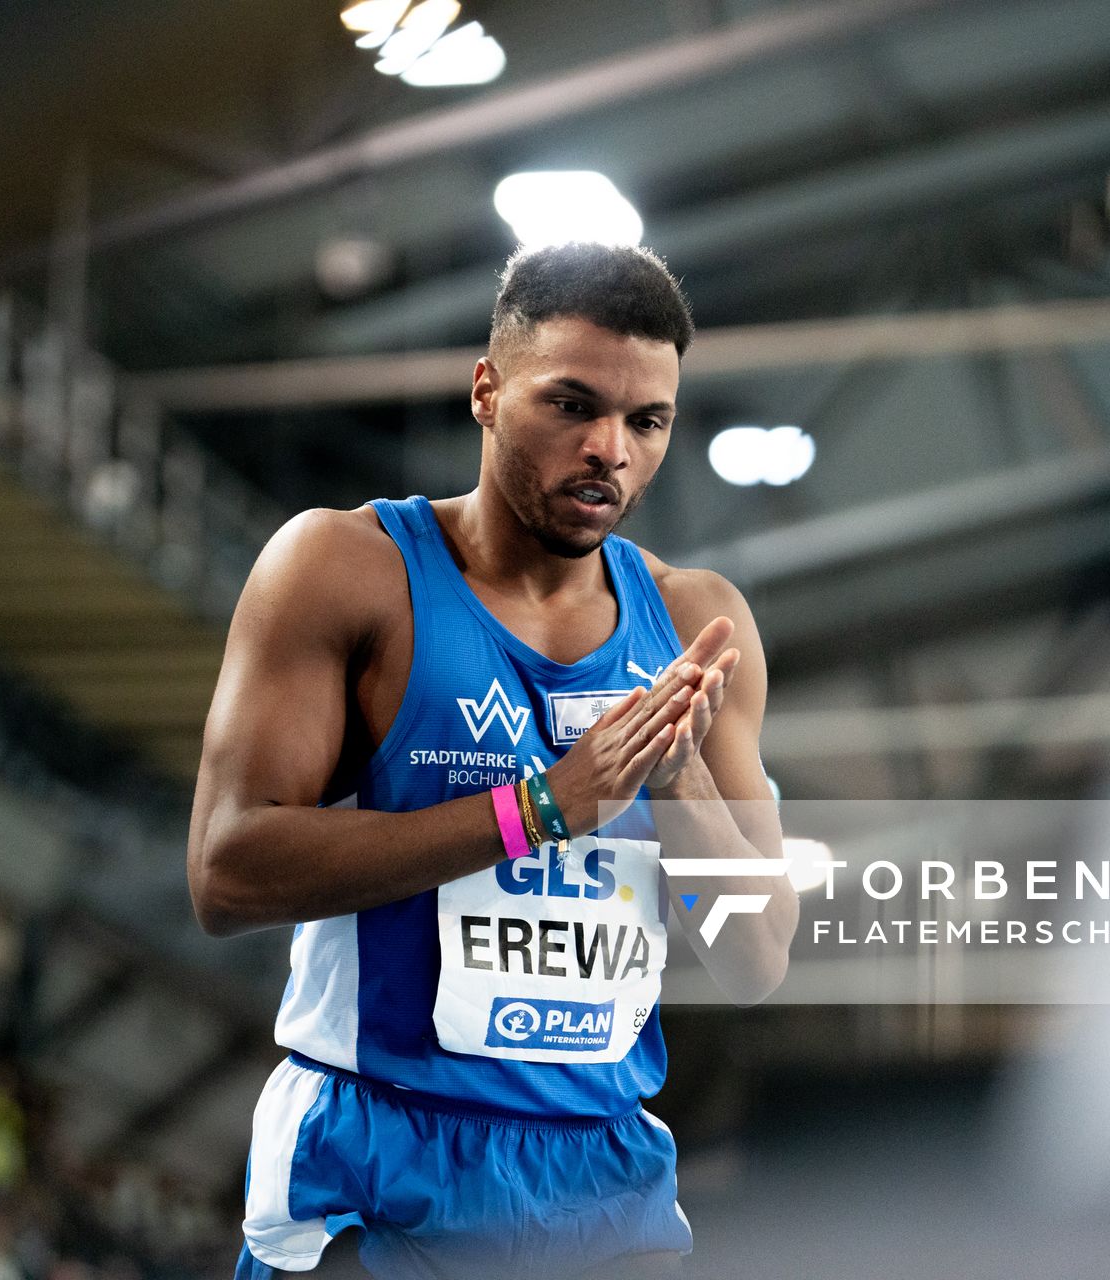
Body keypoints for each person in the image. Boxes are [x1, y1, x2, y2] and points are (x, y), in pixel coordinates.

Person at [188, 241, 798, 1279]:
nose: (609, 447)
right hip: (382, 1160)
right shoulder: (347, 570)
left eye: (647, 420)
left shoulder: (700, 623)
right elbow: (227, 870)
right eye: (572, 404)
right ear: (487, 390)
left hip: (606, 1178)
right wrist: (541, 809)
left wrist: (676, 776)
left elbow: (756, 957)